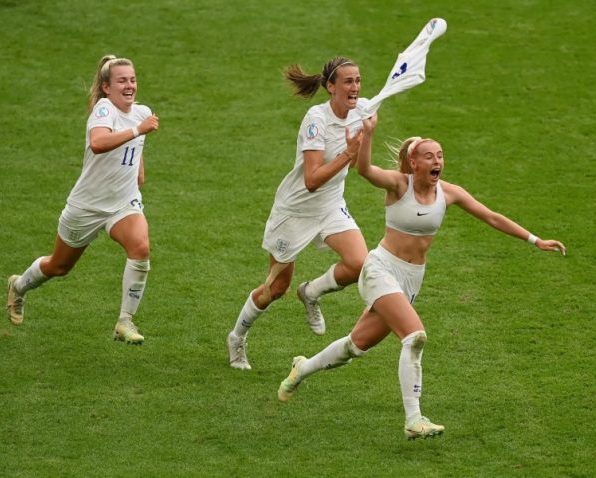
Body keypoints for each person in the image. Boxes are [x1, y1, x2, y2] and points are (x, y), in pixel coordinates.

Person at [277, 113, 566, 440]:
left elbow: (492, 217)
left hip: (411, 279)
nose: (437, 160)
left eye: (440, 155)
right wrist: (368, 135)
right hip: (381, 270)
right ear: (413, 163)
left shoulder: (449, 192)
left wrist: (534, 239)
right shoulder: (399, 185)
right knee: (415, 337)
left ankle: (302, 368)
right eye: (429, 156)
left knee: (355, 346)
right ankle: (414, 418)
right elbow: (365, 170)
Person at [227, 56, 370, 370]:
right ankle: (237, 338)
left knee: (360, 264)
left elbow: (362, 168)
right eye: (348, 81)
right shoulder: (315, 119)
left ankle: (311, 292)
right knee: (275, 288)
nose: (355, 87)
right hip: (295, 211)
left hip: (331, 207)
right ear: (330, 86)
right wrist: (348, 151)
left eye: (358, 80)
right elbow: (312, 180)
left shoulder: (363, 112)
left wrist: (366, 138)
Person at [6, 54, 159, 344]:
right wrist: (139, 130)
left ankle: (124, 322)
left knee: (140, 247)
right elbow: (98, 143)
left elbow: (135, 146)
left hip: (123, 203)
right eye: (122, 81)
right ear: (106, 87)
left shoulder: (142, 112)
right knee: (59, 267)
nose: (129, 85)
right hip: (88, 205)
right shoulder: (104, 110)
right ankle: (19, 286)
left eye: (133, 79)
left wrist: (139, 166)